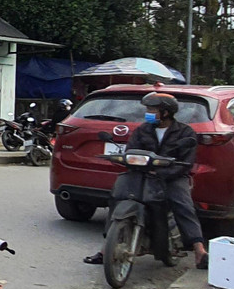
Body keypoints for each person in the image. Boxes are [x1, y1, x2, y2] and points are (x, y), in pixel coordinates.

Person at [84, 92, 206, 269]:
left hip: (171, 177)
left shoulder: (185, 132)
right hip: (141, 174)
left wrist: (164, 173)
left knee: (183, 205)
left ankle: (199, 251)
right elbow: (131, 150)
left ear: (165, 112)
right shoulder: (142, 130)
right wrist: (126, 159)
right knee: (118, 198)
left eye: (152, 109)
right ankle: (105, 249)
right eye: (148, 109)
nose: (148, 113)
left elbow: (185, 163)